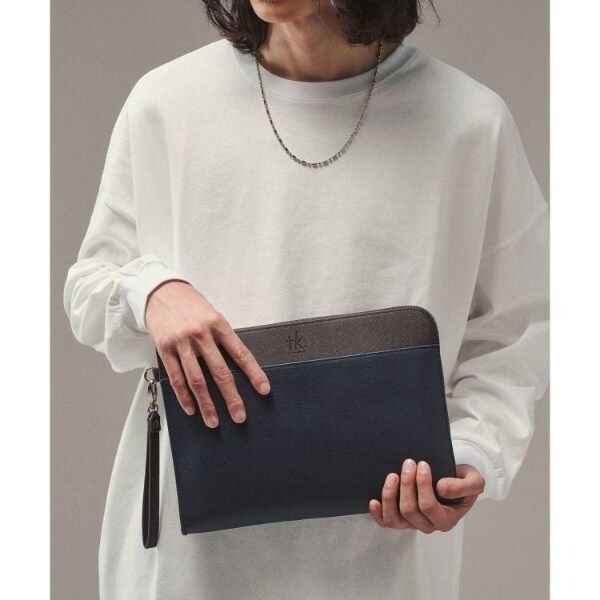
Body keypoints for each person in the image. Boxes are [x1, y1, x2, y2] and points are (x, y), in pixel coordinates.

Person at [62, 0, 550, 598]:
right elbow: (88, 288)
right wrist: (152, 291)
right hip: (190, 564)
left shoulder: (469, 123)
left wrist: (473, 451)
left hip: (382, 555)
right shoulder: (166, 103)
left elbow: (517, 328)